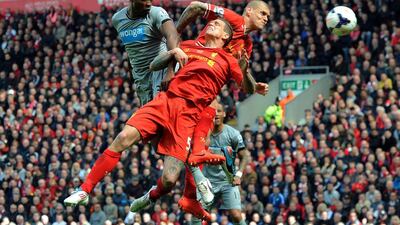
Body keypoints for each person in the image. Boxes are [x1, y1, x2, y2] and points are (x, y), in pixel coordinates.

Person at [64, 18, 249, 221]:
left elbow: (247, 88)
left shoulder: (227, 59)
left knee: (169, 179)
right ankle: (85, 190)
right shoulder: (188, 46)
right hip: (165, 102)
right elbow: (154, 65)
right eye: (211, 23)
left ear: (225, 36)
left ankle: (152, 195)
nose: (211, 24)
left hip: (187, 116)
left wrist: (245, 71)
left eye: (218, 25)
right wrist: (172, 53)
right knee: (123, 138)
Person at [171, 0, 271, 219]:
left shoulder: (247, 44)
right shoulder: (233, 21)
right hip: (184, 75)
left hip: (202, 92)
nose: (266, 18)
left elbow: (242, 76)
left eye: (268, 16)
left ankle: (191, 196)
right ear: (249, 11)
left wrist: (254, 84)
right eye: (262, 13)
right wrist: (174, 36)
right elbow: (196, 6)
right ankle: (189, 193)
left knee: (201, 142)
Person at [111, 0, 188, 105]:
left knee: (160, 109)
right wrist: (133, 76)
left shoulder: (156, 13)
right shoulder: (117, 19)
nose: (148, 3)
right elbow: (130, 48)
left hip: (161, 69)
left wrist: (171, 70)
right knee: (148, 113)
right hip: (141, 77)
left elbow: (172, 35)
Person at [190, 102, 250, 225]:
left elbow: (244, 156)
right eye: (214, 111)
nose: (216, 114)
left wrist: (238, 175)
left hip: (227, 181)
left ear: (224, 114)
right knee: (197, 216)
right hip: (206, 182)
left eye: (219, 111)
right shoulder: (201, 134)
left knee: (236, 215)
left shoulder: (233, 134)